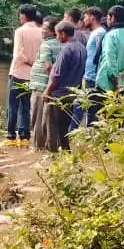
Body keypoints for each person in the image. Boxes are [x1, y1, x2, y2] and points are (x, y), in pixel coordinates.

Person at [1, 4, 42, 147]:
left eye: (20, 15)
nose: (19, 17)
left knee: (12, 105)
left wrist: (28, 61)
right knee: (25, 106)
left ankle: (11, 136)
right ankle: (24, 137)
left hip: (18, 72)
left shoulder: (20, 31)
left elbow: (17, 54)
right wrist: (33, 64)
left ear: (24, 15)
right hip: (32, 75)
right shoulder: (41, 32)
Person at [42, 20, 86, 151]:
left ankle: (53, 154)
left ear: (62, 34)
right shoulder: (82, 48)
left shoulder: (66, 49)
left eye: (56, 34)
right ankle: (65, 153)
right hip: (72, 93)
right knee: (64, 127)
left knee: (52, 126)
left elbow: (56, 75)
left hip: (59, 94)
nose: (56, 37)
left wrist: (47, 91)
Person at [28, 16, 61, 151]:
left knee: (37, 117)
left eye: (45, 29)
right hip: (51, 87)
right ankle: (47, 146)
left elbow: (48, 66)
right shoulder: (59, 44)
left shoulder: (47, 44)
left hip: (41, 86)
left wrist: (48, 85)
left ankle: (37, 147)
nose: (42, 31)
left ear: (53, 32)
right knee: (48, 119)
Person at [72, 7, 106, 127]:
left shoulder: (99, 33)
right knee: (85, 107)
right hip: (88, 76)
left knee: (92, 109)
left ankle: (90, 137)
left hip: (93, 78)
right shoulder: (95, 33)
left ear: (92, 17)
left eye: (86, 17)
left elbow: (101, 55)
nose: (84, 20)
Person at [95, 5, 124, 93]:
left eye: (108, 17)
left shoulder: (110, 35)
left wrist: (116, 81)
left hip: (107, 84)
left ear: (112, 17)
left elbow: (109, 60)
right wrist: (122, 79)